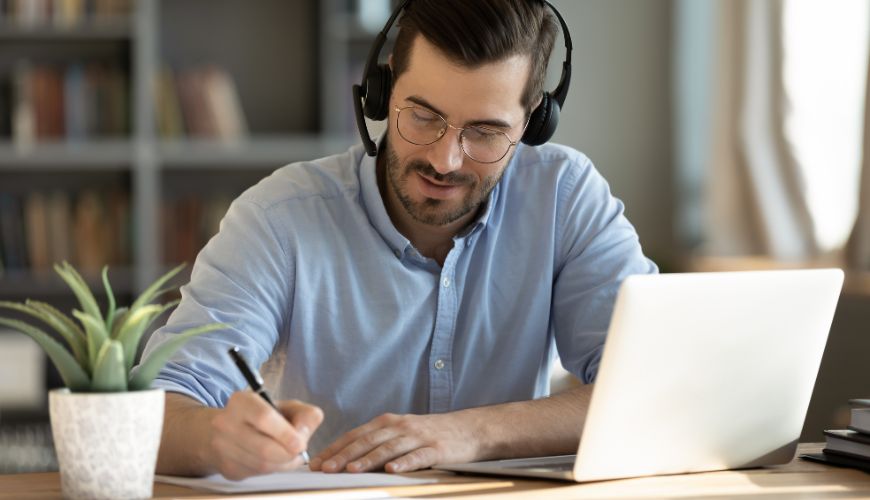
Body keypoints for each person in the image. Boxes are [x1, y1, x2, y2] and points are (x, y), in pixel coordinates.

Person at [138, 0, 657, 480]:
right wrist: (215, 440)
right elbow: (152, 409)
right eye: (424, 116)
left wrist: (468, 433)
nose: (445, 160)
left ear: (532, 123)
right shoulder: (279, 217)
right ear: (382, 93)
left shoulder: (565, 197)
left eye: (485, 132)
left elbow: (652, 386)